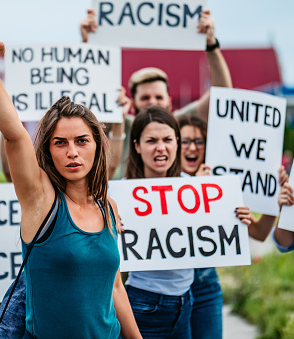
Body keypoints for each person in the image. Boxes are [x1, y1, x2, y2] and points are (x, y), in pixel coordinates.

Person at [0, 33, 142, 339]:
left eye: (81, 141)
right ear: (48, 151)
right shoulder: (41, 202)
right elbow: (14, 135)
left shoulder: (108, 207)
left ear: (96, 146)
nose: (72, 152)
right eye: (60, 143)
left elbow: (114, 286)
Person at [124, 106, 253, 338]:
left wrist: (236, 216)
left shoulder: (195, 187)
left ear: (176, 143)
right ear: (137, 146)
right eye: (151, 140)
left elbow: (216, 231)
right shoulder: (122, 193)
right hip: (143, 303)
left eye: (167, 139)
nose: (161, 147)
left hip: (186, 300)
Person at [80, 8, 232, 179]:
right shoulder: (120, 124)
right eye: (145, 98)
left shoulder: (182, 121)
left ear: (169, 100)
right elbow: (87, 117)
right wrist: (90, 45)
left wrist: (210, 44)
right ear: (132, 102)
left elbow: (222, 96)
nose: (152, 102)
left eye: (158, 97)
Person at [177, 115, 284, 339]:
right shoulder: (161, 183)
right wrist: (196, 187)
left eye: (199, 141)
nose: (192, 147)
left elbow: (260, 233)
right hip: (171, 292)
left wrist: (274, 199)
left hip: (206, 286)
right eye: (185, 141)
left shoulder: (222, 185)